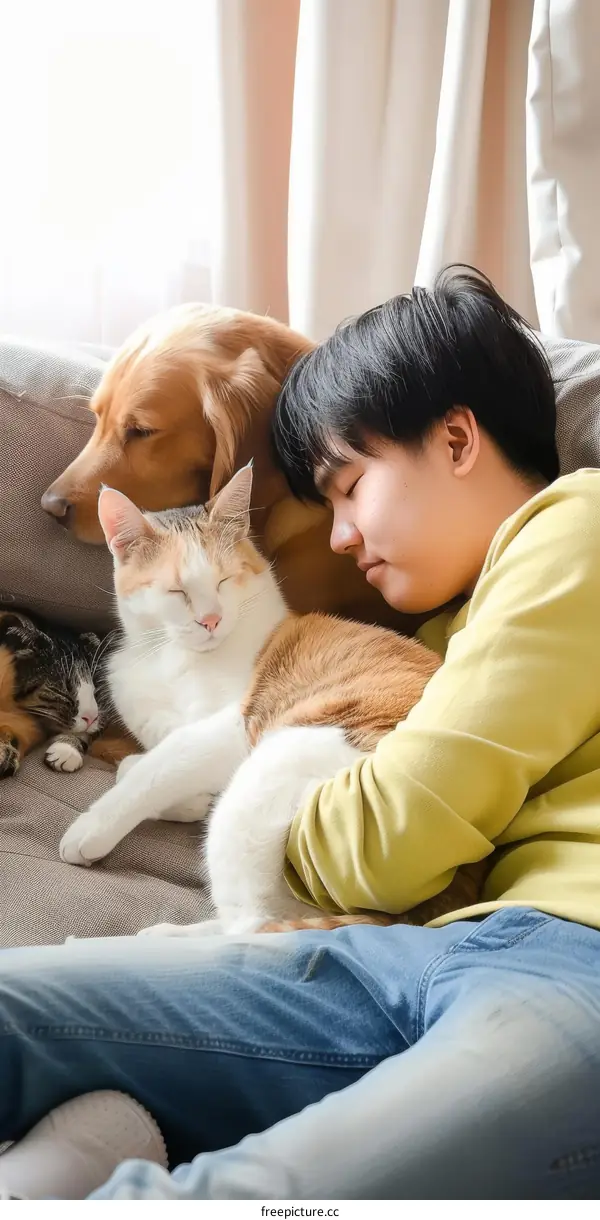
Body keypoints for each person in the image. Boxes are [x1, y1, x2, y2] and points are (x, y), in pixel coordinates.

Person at [2, 267, 600, 1201]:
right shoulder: (436, 636)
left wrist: (263, 822)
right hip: (414, 954)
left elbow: (398, 836)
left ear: (455, 439)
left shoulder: (579, 529)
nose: (337, 536)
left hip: (574, 959)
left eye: (350, 488)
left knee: (248, 1194)